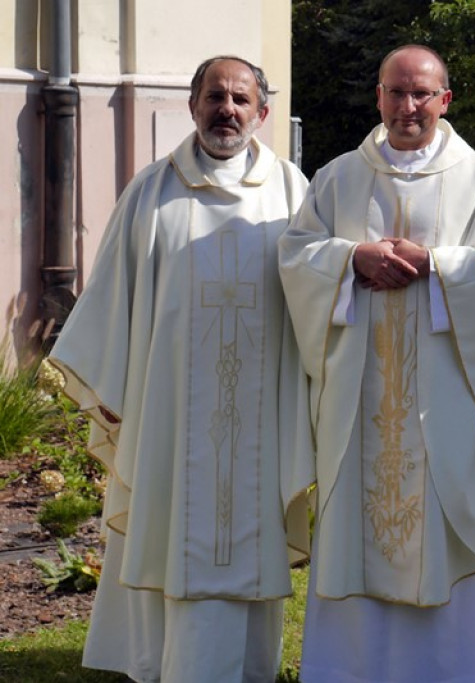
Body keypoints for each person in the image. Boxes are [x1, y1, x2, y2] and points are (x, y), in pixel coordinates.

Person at [47, 55, 313, 683]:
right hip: (168, 409)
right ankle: (163, 663)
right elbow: (114, 293)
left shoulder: (292, 193)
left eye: (241, 99)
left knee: (246, 534)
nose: (227, 109)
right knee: (166, 525)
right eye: (214, 96)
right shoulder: (152, 190)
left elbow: (318, 295)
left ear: (263, 112)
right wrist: (109, 382)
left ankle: (245, 667)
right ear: (192, 106)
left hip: (261, 412)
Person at [277, 44, 475, 683]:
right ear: (379, 96)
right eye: (396, 92)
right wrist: (350, 259)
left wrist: (436, 265)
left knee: (443, 522)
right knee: (355, 524)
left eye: (422, 94)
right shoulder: (338, 177)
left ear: (445, 100)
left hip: (441, 401)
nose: (408, 106)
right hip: (358, 405)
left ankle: (453, 669)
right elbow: (296, 254)